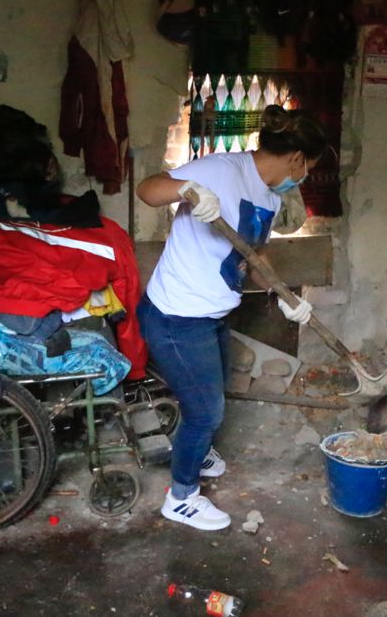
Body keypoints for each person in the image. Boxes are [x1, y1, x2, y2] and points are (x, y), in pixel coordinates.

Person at [136, 105, 326, 531]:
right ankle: (181, 497)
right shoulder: (221, 170)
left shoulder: (270, 196)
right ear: (296, 159)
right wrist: (187, 188)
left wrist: (284, 296)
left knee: (209, 394)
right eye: (308, 168)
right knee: (206, 413)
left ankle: (196, 450)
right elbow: (148, 190)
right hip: (177, 317)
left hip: (212, 315)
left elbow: (253, 257)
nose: (306, 177)